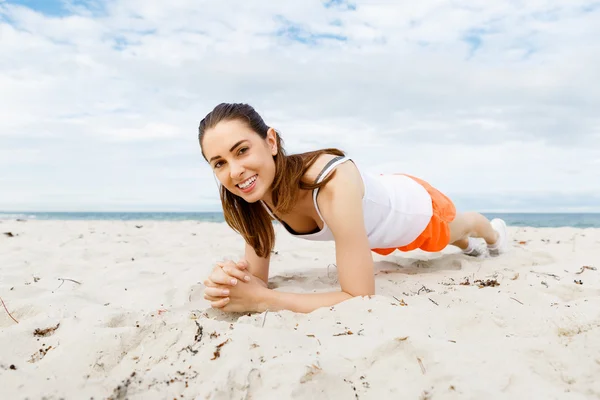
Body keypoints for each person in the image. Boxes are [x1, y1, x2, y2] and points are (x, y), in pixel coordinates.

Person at [198, 103, 509, 314]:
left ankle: (492, 234)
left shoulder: (331, 182)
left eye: (242, 150)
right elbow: (255, 280)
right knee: (456, 241)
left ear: (270, 141)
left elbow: (358, 297)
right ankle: (469, 247)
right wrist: (228, 280)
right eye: (220, 163)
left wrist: (264, 300)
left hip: (414, 211)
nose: (235, 171)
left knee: (458, 229)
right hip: (373, 221)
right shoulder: (254, 193)